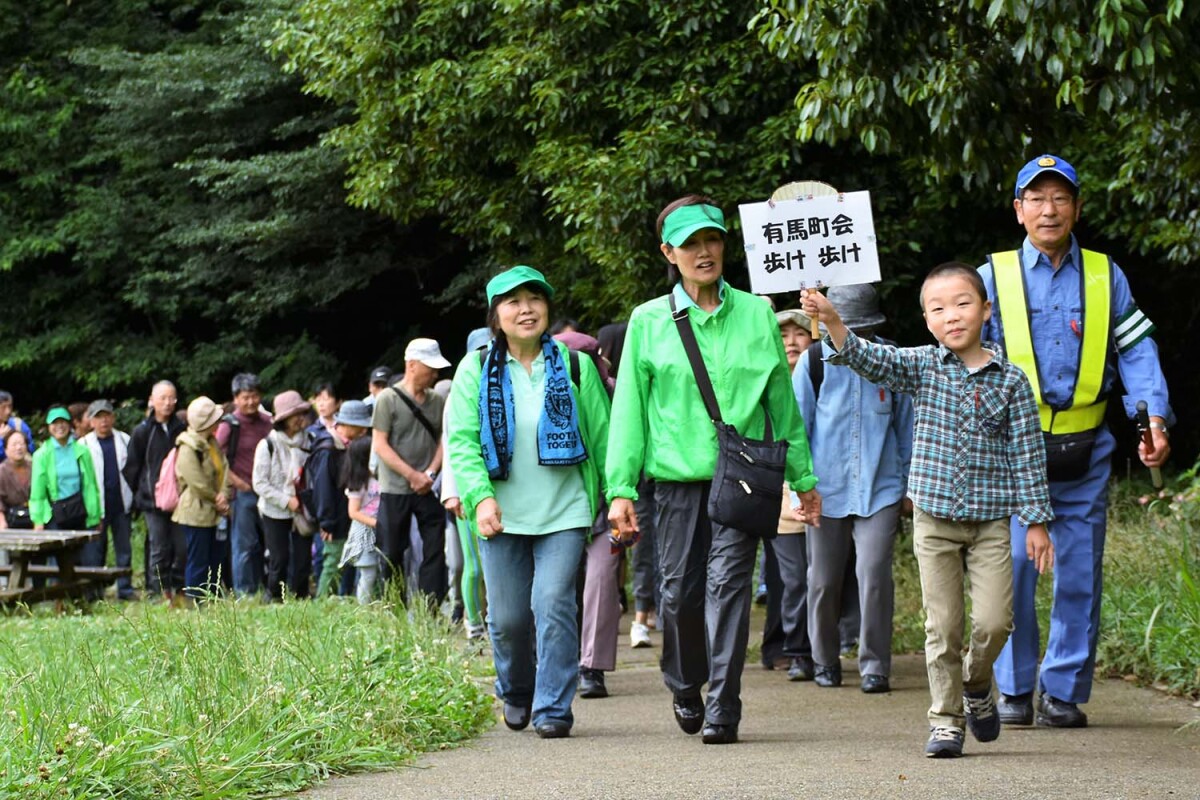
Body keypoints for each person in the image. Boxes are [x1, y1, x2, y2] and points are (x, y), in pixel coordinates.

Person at [801, 263, 1055, 758]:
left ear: (985, 310)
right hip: (934, 521)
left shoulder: (1012, 382)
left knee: (995, 622)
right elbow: (865, 358)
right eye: (937, 309)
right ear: (926, 321)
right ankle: (946, 719)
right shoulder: (919, 365)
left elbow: (1028, 454)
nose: (951, 316)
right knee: (942, 627)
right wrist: (832, 319)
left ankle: (977, 684)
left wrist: (1038, 521)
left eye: (962, 304)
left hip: (990, 524)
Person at [606, 196, 821, 746]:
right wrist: (621, 489)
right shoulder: (649, 320)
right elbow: (629, 408)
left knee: (729, 587)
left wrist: (802, 478)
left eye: (713, 240)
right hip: (677, 481)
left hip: (745, 475)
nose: (705, 251)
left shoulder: (755, 313)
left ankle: (725, 702)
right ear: (669, 253)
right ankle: (684, 683)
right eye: (691, 243)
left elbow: (782, 402)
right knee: (678, 592)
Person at [980, 155, 1172, 729]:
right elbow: (959, 350)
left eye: (1060, 198)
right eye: (1035, 198)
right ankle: (1013, 689)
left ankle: (1061, 690)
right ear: (1018, 211)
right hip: (1014, 450)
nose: (1048, 209)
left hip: (1087, 447)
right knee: (1014, 566)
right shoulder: (991, 278)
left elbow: (1136, 350)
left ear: (1077, 208)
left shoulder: (1104, 274)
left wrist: (1153, 419)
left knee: (1079, 573)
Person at [447, 265, 611, 740]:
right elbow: (461, 442)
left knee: (554, 602)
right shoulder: (475, 368)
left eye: (535, 299)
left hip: (565, 507)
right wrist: (479, 498)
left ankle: (553, 706)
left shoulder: (574, 366)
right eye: (513, 301)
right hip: (499, 513)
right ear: (496, 315)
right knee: (508, 618)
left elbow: (601, 435)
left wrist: (619, 495)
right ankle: (516, 690)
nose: (526, 309)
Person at [794, 287, 914, 693]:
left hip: (881, 487)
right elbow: (798, 430)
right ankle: (824, 659)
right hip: (824, 489)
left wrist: (910, 485)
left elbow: (906, 428)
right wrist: (798, 488)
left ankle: (875, 665)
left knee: (874, 573)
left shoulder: (890, 359)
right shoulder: (813, 362)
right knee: (823, 580)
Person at [553, 330, 621, 700]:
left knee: (602, 580)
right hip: (557, 507)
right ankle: (556, 661)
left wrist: (620, 497)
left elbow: (615, 445)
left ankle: (591, 667)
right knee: (558, 587)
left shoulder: (612, 390)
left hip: (602, 503)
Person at [757, 307, 816, 676]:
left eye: (800, 333)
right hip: (775, 488)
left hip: (820, 487)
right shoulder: (765, 377)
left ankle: (810, 645)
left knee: (816, 576)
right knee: (788, 575)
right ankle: (791, 648)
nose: (792, 342)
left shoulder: (824, 375)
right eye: (783, 335)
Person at [373, 338, 450, 604]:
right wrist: (412, 475)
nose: (435, 373)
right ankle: (393, 606)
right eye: (430, 367)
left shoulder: (437, 401)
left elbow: (444, 439)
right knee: (392, 550)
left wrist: (429, 472)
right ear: (413, 365)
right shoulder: (387, 399)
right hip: (395, 488)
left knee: (434, 548)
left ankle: (431, 606)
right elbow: (380, 445)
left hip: (428, 487)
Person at [123, 381, 187, 599]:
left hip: (179, 500)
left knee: (181, 547)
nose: (168, 403)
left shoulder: (182, 429)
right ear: (152, 400)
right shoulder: (142, 432)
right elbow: (131, 467)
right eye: (163, 398)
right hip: (152, 502)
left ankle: (178, 587)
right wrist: (143, 492)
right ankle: (157, 590)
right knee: (158, 547)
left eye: (172, 398)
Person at [215, 373, 273, 597]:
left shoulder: (268, 422)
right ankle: (244, 593)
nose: (251, 402)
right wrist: (237, 482)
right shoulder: (230, 424)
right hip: (244, 493)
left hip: (268, 492)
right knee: (244, 545)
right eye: (246, 397)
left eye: (255, 396)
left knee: (268, 545)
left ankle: (268, 588)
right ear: (236, 398)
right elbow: (217, 458)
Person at [252, 390, 313, 601]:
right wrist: (287, 501)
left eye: (302, 413)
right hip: (274, 510)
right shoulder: (268, 445)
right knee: (279, 557)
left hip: (303, 508)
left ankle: (301, 596)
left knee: (303, 556)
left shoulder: (310, 441)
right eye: (295, 414)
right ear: (283, 419)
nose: (300, 419)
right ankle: (274, 596)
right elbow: (259, 483)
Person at [310, 399, 373, 596]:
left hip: (350, 515)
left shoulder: (349, 446)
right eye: (359, 427)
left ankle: (342, 600)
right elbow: (322, 490)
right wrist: (327, 522)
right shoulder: (328, 449)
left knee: (348, 562)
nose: (364, 431)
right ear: (343, 424)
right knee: (334, 562)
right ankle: (323, 605)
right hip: (334, 518)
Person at [173, 396, 233, 600]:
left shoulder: (211, 441)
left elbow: (224, 467)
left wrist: (224, 495)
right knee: (198, 559)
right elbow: (196, 482)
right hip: (196, 512)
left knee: (216, 557)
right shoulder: (188, 447)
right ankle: (195, 600)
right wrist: (217, 499)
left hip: (216, 510)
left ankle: (214, 596)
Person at [82, 400, 137, 599]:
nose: (103, 421)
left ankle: (125, 589)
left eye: (106, 416)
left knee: (124, 550)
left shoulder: (124, 439)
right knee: (96, 551)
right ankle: (95, 591)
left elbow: (134, 470)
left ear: (113, 418)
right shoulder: (84, 444)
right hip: (96, 508)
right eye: (98, 417)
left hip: (122, 504)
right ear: (91, 421)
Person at [30, 407, 102, 533]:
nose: (60, 426)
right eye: (55, 423)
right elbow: (37, 493)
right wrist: (38, 520)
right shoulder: (41, 455)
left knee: (87, 552)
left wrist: (96, 515)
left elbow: (91, 486)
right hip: (54, 516)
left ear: (70, 424)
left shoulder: (82, 451)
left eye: (63, 422)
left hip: (81, 512)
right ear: (48, 426)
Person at [339, 435, 382, 604]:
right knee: (368, 573)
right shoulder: (357, 484)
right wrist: (376, 523)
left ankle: (375, 603)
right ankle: (363, 609)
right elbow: (353, 512)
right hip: (364, 532)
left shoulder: (375, 477)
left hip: (377, 530)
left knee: (376, 572)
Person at [0, 430, 33, 530]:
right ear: (6, 449)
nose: (18, 448)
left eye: (21, 444)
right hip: (11, 519)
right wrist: (2, 522)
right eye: (14, 444)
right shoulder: (2, 470)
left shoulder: (34, 466)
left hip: (33, 516)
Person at [0, 390, 35, 463]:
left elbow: (31, 448)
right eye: (3, 407)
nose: (8, 411)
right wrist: (1, 439)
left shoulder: (18, 424)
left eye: (10, 406)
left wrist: (17, 441)